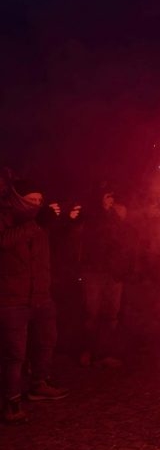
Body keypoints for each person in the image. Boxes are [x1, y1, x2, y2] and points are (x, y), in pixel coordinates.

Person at [0, 178, 76, 423]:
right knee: (14, 354)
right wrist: (38, 222)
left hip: (41, 296)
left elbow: (60, 243)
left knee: (46, 342)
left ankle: (38, 384)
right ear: (19, 199)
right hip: (12, 298)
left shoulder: (40, 223)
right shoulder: (6, 217)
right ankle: (11, 402)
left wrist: (70, 222)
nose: (36, 204)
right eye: (31, 200)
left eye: (40, 201)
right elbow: (4, 241)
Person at [78, 184, 132, 368]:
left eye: (111, 197)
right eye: (106, 197)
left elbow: (123, 239)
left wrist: (123, 268)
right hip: (93, 271)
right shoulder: (91, 215)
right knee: (91, 313)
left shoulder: (117, 215)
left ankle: (106, 353)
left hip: (114, 272)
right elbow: (92, 235)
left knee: (111, 315)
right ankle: (89, 351)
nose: (109, 201)